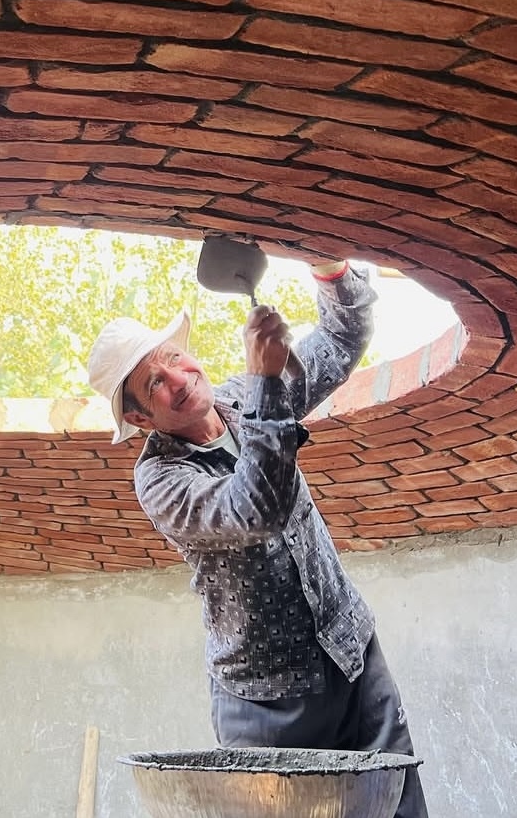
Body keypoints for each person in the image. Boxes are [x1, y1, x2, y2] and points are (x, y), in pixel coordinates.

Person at [87, 257, 428, 818]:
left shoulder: (245, 396)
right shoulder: (161, 478)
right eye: (154, 383)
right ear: (141, 418)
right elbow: (256, 509)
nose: (178, 379)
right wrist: (270, 385)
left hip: (351, 654)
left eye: (173, 358)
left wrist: (328, 269)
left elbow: (343, 339)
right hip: (268, 700)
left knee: (398, 810)